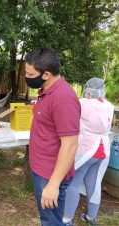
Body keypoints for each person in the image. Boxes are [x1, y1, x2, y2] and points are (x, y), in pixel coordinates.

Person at [25, 47, 81, 226]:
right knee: (47, 219)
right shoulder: (46, 90)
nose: (26, 76)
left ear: (46, 74)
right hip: (42, 171)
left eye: (29, 73)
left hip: (50, 176)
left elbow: (70, 145)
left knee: (51, 222)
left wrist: (54, 184)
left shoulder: (63, 98)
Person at [63, 78, 114, 226]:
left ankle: (66, 219)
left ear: (87, 90)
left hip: (86, 149)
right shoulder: (109, 105)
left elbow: (66, 105)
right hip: (103, 149)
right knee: (94, 183)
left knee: (73, 182)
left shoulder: (83, 103)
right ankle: (91, 217)